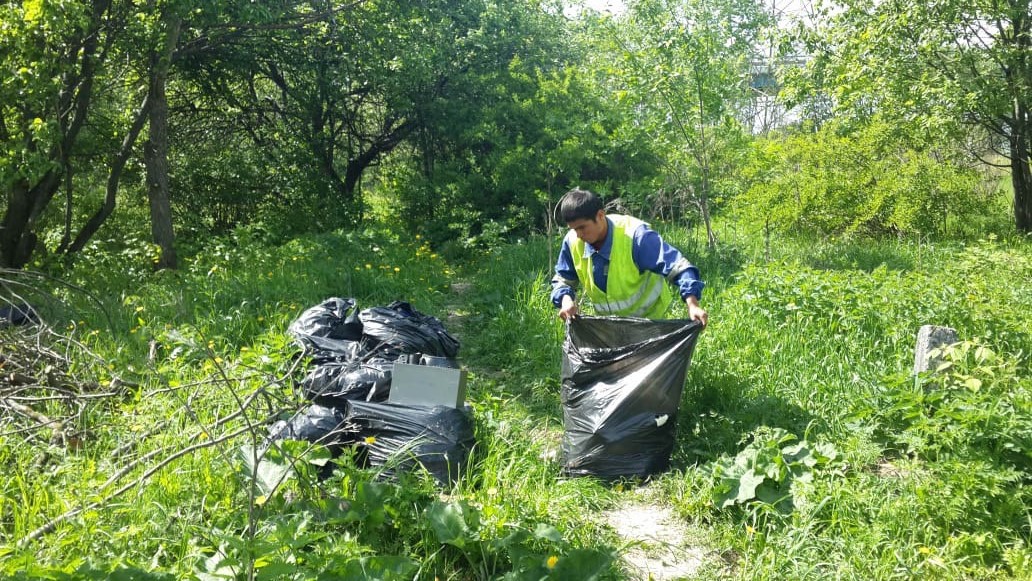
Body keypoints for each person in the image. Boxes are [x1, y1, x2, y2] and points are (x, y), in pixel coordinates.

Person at [550, 188, 708, 324]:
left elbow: (679, 267)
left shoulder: (636, 237)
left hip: (649, 323)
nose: (579, 235)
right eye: (573, 229)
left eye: (582, 228)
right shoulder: (572, 242)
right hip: (608, 327)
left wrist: (692, 305)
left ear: (600, 215)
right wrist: (566, 300)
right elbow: (563, 280)